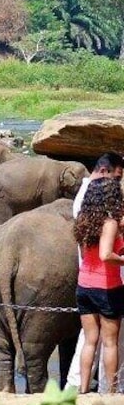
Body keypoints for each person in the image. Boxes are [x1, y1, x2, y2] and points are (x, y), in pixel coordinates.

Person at [67, 152, 124, 391]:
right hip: (107, 287)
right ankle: (110, 392)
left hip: (84, 286)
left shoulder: (83, 219)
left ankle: (82, 389)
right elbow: (105, 254)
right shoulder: (109, 222)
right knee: (110, 343)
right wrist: (121, 259)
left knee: (90, 340)